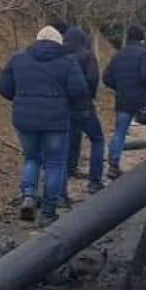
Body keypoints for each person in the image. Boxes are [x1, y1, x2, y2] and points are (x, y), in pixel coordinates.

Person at [0, 25, 89, 222]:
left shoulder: (18, 58)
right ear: (58, 42)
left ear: (37, 40)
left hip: (25, 118)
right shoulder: (67, 61)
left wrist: (22, 98)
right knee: (54, 163)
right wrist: (65, 103)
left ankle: (28, 195)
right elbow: (79, 90)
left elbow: (3, 87)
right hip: (56, 120)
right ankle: (48, 211)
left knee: (31, 158)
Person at [102, 25, 146, 179]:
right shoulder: (144, 54)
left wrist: (119, 87)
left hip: (123, 98)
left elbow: (106, 78)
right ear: (141, 39)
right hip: (142, 99)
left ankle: (113, 165)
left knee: (120, 132)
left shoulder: (118, 55)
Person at [62, 25, 105, 195]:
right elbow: (93, 78)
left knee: (72, 138)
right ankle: (94, 180)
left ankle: (69, 170)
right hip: (84, 105)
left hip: (65, 106)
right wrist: (90, 95)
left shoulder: (60, 56)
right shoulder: (87, 56)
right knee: (97, 139)